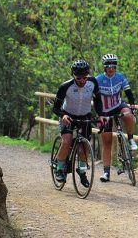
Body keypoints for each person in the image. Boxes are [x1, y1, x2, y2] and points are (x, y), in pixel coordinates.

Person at [52, 59, 102, 187]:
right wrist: (63, 116)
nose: (82, 80)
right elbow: (55, 108)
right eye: (79, 78)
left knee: (84, 147)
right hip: (68, 116)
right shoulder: (65, 86)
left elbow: (98, 101)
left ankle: (82, 171)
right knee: (67, 141)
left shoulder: (92, 83)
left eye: (85, 77)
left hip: (85, 116)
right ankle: (59, 168)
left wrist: (101, 115)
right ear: (73, 76)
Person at [95, 53, 138, 183]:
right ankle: (106, 173)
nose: (111, 68)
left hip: (118, 105)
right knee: (107, 142)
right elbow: (96, 99)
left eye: (113, 66)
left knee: (129, 115)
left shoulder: (120, 77)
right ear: (104, 67)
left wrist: (133, 105)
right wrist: (100, 115)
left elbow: (128, 92)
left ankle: (130, 139)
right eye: (108, 66)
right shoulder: (97, 80)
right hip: (105, 111)